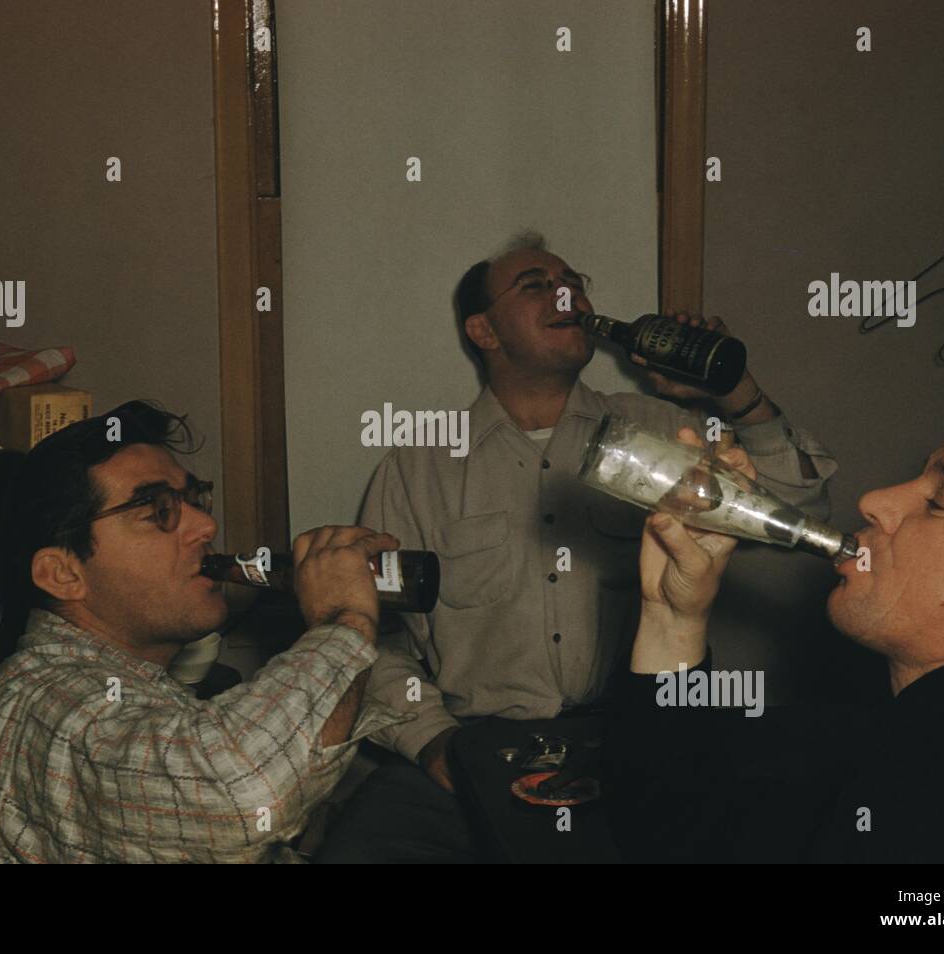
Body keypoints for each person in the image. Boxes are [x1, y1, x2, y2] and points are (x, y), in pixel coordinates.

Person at [321, 231, 839, 862]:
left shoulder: (660, 429)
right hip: (477, 741)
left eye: (573, 281)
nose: (566, 293)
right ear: (483, 332)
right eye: (536, 285)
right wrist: (434, 744)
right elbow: (377, 636)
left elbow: (802, 508)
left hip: (642, 735)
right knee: (359, 850)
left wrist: (728, 387)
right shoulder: (419, 467)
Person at [0, 400, 407, 863]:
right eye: (157, 510)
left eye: (193, 499)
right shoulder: (47, 705)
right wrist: (344, 618)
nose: (205, 524)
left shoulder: (118, 683)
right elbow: (242, 795)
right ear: (63, 574)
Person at [604, 398, 944, 862]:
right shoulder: (900, 735)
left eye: (938, 503)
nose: (873, 501)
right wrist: (672, 616)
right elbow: (675, 830)